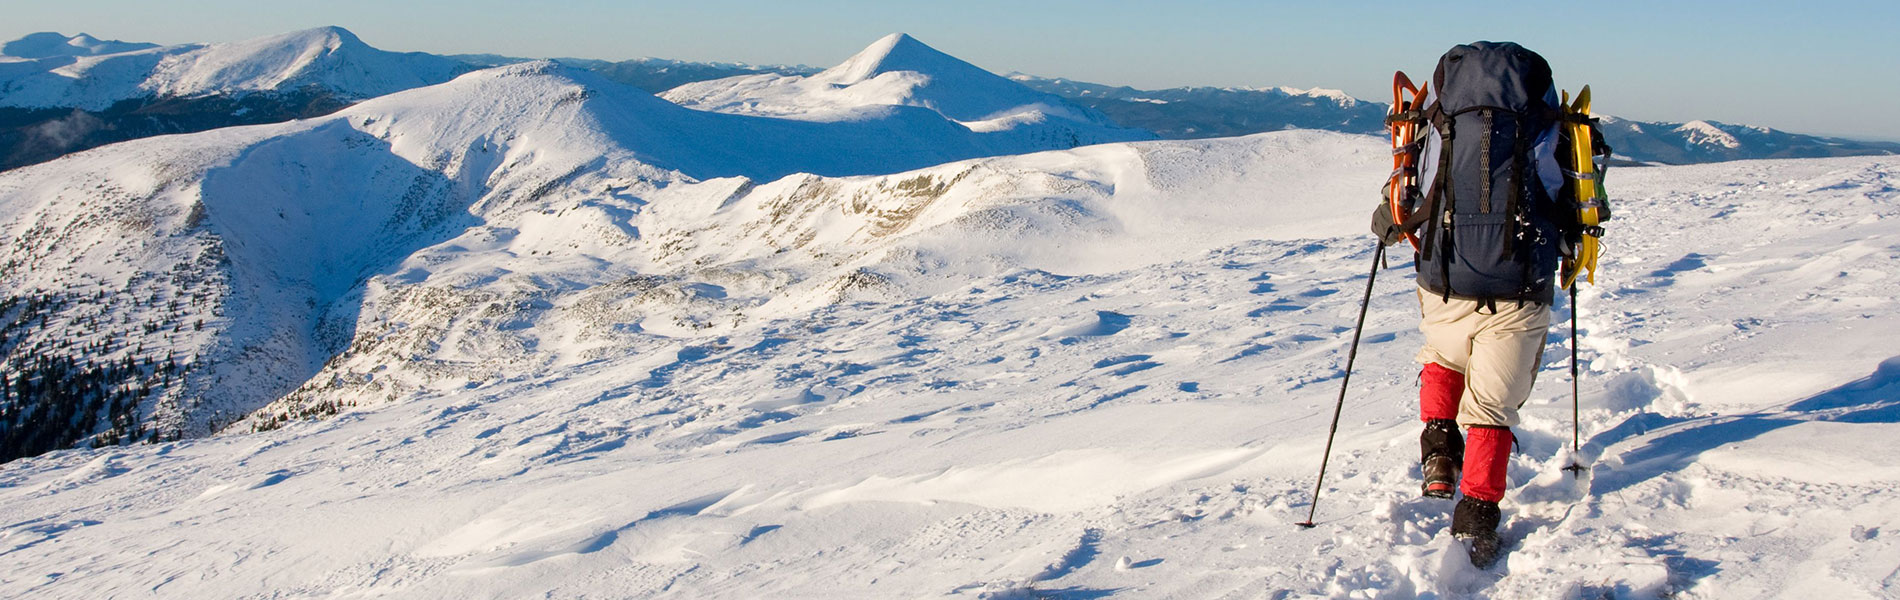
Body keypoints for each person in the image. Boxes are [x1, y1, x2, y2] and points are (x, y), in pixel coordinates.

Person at [1370, 41, 1578, 567]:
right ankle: (1476, 519)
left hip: (1443, 276)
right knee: (1491, 406)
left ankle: (1439, 455)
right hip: (1518, 283)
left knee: (1442, 358)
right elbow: (1568, 189)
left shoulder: (1439, 115)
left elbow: (1409, 183)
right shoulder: (1543, 118)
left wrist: (1391, 222)